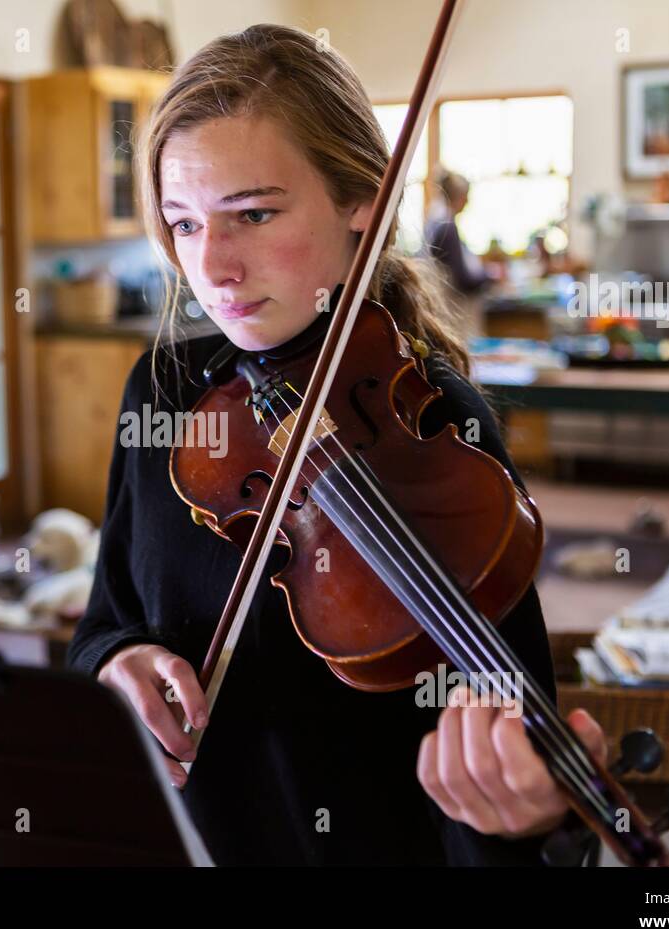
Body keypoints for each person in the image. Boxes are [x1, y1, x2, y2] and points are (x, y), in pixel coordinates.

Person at [65, 23, 606, 865]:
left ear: (363, 201)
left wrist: (525, 816)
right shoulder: (167, 391)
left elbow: (495, 748)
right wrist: (118, 658)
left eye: (252, 214)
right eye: (183, 222)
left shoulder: (437, 425)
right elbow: (106, 618)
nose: (213, 268)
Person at [423, 169, 491, 341]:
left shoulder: (437, 221)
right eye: (466, 196)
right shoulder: (446, 228)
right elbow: (463, 280)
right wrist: (489, 276)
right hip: (453, 313)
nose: (467, 201)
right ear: (459, 196)